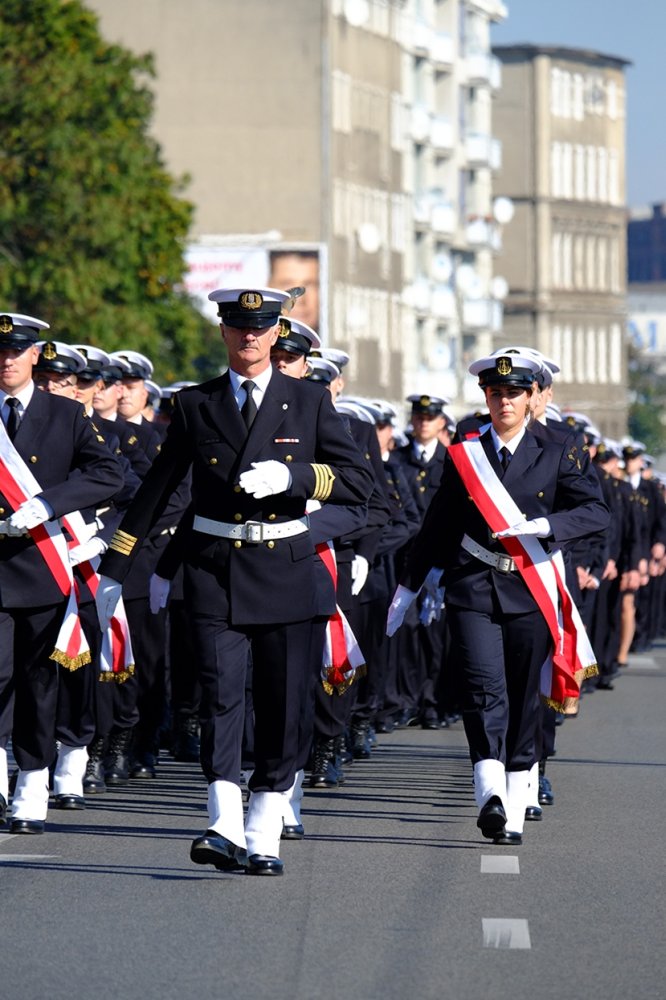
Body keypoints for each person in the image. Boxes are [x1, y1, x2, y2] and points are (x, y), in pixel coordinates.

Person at [95, 286, 372, 875]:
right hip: (215, 570)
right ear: (223, 332)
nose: (249, 335)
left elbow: (356, 482)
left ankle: (265, 824)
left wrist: (296, 477)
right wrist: (117, 568)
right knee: (221, 698)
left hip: (287, 571)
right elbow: (159, 488)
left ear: (276, 333)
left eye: (261, 326)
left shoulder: (310, 400)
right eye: (238, 326)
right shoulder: (197, 403)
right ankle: (222, 820)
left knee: (283, 704)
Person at [387, 352, 609, 845]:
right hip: (473, 582)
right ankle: (489, 790)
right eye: (495, 393)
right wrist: (410, 583)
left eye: (513, 393)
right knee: (483, 686)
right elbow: (440, 520)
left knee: (525, 692)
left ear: (532, 398)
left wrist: (548, 525)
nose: (504, 401)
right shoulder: (466, 448)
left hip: (532, 583)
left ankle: (516, 787)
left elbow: (595, 511)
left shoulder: (560, 446)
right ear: (485, 397)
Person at [0, 314, 124, 833]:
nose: (6, 359)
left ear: (35, 354)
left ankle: (31, 781)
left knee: (36, 681)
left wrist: (48, 504)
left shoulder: (64, 414)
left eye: (16, 351)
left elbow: (109, 473)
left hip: (40, 566)